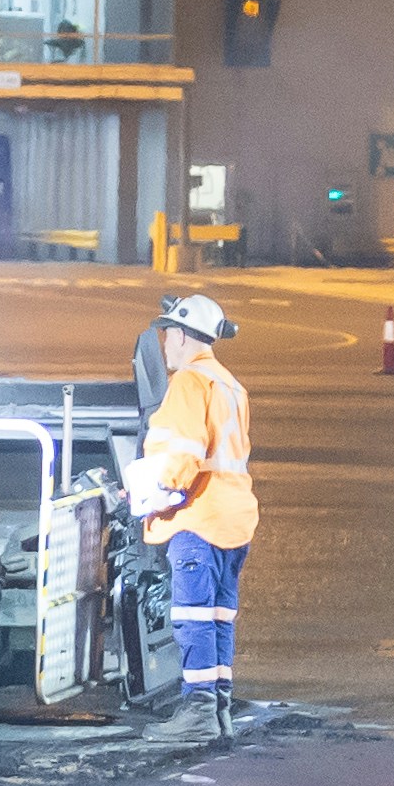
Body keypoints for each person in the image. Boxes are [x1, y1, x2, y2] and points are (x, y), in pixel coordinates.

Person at [127, 289, 260, 717]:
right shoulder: (230, 385)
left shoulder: (188, 382)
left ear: (185, 336)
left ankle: (198, 712)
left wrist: (150, 495)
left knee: (193, 616)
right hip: (233, 518)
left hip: (198, 519)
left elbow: (182, 457)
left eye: (168, 334)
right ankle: (218, 707)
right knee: (219, 615)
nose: (165, 343)